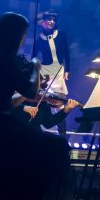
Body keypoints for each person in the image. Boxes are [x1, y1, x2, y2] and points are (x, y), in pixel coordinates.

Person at [0, 12, 70, 200]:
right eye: (23, 35)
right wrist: (36, 68)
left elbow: (6, 100)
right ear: (16, 35)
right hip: (1, 127)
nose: (23, 40)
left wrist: (28, 99)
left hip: (1, 122)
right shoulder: (5, 60)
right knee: (56, 147)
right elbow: (29, 89)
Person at [34, 8, 71, 137]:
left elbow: (67, 52)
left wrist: (68, 69)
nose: (51, 22)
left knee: (59, 104)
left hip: (59, 71)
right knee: (46, 102)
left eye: (53, 20)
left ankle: (62, 138)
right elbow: (34, 57)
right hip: (46, 72)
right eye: (49, 19)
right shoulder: (38, 39)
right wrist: (37, 73)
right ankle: (44, 135)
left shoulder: (62, 34)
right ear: (43, 21)